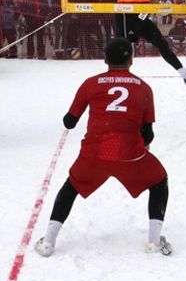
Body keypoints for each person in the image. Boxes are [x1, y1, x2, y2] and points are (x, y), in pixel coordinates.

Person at [34, 38, 172, 257]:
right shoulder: (144, 88)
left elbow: (69, 122)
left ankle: (48, 241)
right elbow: (148, 134)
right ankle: (154, 241)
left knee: (71, 187)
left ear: (105, 59)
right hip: (129, 153)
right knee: (159, 181)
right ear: (131, 61)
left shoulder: (91, 83)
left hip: (95, 151)